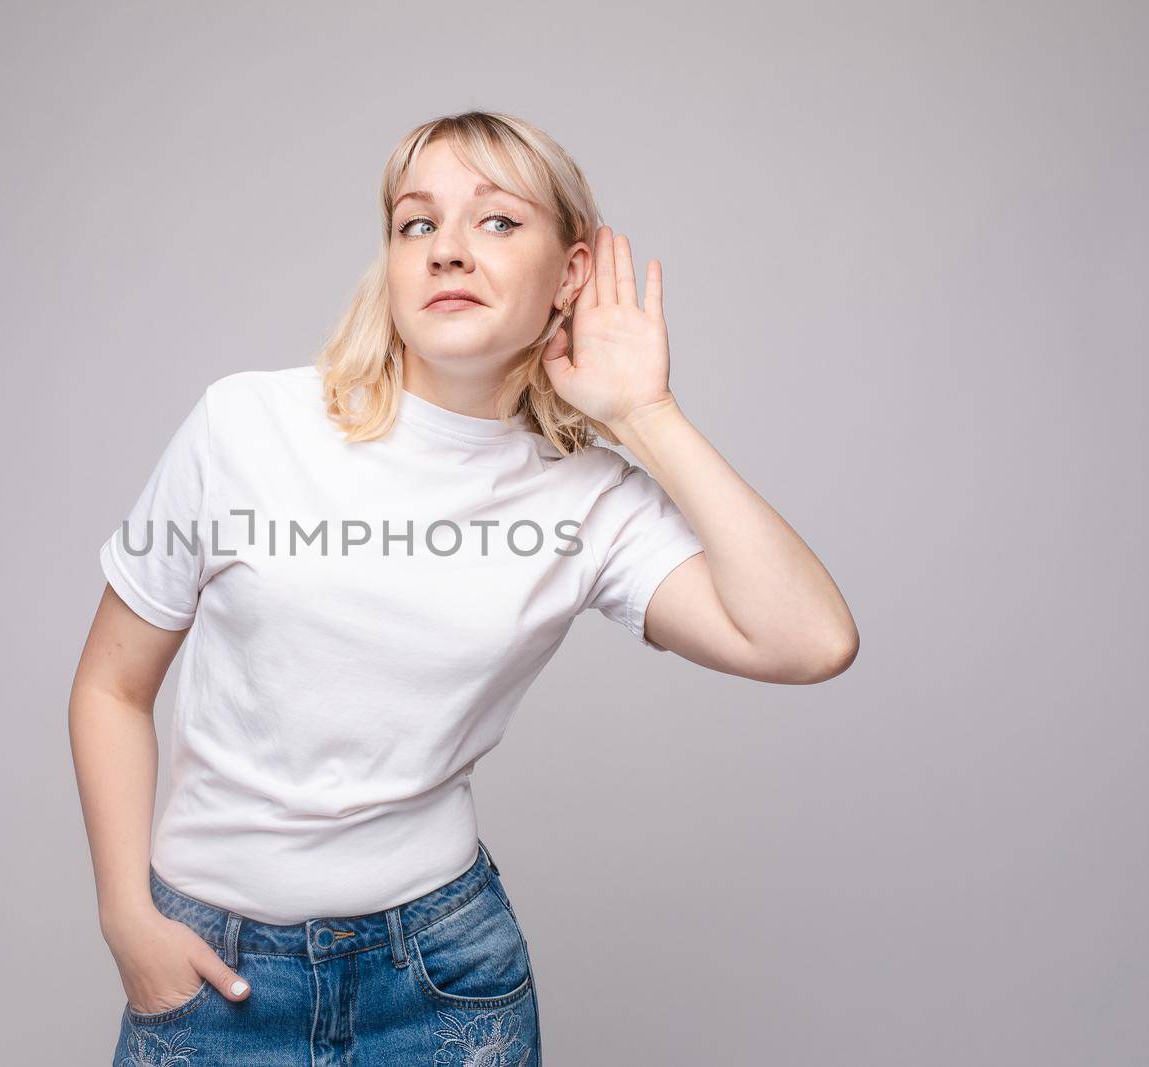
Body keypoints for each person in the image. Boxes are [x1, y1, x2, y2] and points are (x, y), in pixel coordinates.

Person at [69, 110, 859, 1065]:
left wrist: (646, 413)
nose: (448, 251)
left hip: (442, 981)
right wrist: (126, 917)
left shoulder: (587, 500)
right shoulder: (244, 425)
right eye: (417, 224)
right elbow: (112, 685)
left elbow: (810, 641)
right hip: (214, 972)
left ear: (571, 272)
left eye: (496, 221)